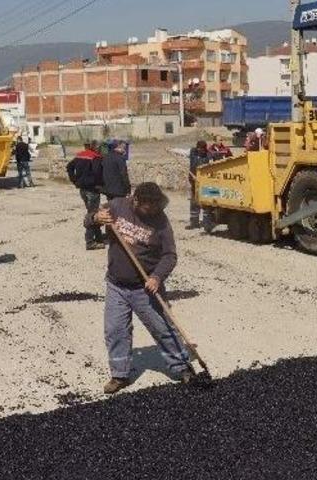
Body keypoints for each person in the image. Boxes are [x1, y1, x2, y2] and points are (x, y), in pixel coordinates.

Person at [93, 182, 192, 394]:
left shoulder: (161, 221)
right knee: (115, 330)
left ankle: (183, 367)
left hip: (144, 288)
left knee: (164, 328)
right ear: (136, 201)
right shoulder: (118, 206)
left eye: (155, 207)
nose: (152, 212)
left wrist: (157, 277)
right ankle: (120, 375)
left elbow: (169, 255)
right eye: (148, 208)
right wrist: (96, 218)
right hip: (116, 285)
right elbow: (90, 219)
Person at [67, 142, 106, 250]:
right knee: (93, 215)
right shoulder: (96, 157)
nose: (101, 150)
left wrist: (74, 180)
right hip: (92, 189)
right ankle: (90, 241)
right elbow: (98, 172)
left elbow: (69, 167)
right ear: (95, 148)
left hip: (82, 190)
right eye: (99, 148)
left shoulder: (80, 155)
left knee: (92, 212)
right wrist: (100, 184)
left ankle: (98, 237)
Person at [187, 140, 211, 230]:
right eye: (199, 149)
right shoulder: (192, 153)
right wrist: (171, 149)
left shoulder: (209, 155)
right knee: (194, 203)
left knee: (205, 203)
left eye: (202, 149)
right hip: (194, 183)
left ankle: (206, 223)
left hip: (204, 183)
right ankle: (194, 223)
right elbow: (182, 152)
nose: (201, 150)